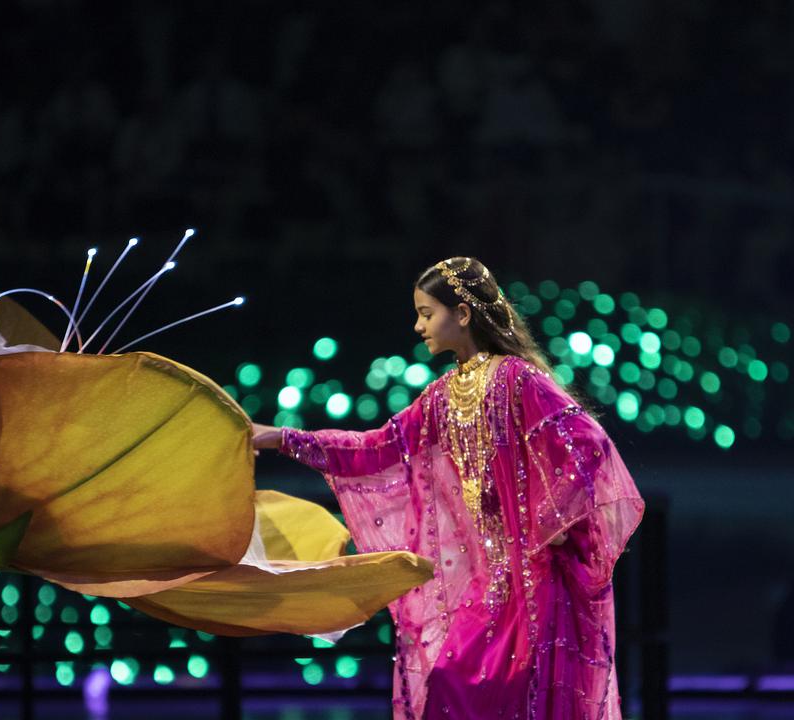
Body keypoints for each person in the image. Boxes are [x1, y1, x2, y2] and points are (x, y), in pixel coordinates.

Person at [253, 257, 644, 720]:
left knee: (519, 701)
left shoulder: (519, 378)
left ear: (462, 313)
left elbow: (589, 443)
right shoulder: (442, 395)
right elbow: (377, 448)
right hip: (491, 584)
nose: (418, 325)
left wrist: (549, 519)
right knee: (449, 687)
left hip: (538, 587)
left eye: (426, 312)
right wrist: (282, 438)